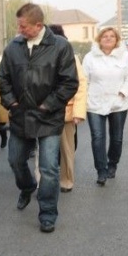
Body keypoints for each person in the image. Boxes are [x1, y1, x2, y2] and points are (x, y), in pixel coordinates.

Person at [0, 3, 78, 234]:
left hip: (48, 118)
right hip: (21, 115)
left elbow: (69, 82)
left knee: (49, 168)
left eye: (23, 26)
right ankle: (27, 186)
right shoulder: (13, 47)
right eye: (18, 25)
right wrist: (11, 102)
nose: (19, 30)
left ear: (39, 25)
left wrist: (48, 105)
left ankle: (48, 214)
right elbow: (3, 77)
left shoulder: (60, 46)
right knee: (15, 160)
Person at [82, 26, 128, 185]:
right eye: (105, 36)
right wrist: (83, 100)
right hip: (95, 103)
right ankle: (101, 170)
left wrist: (123, 92)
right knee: (97, 138)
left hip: (118, 103)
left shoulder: (124, 56)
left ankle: (112, 164)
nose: (108, 38)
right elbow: (84, 80)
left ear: (117, 40)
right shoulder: (90, 57)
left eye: (112, 36)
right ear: (99, 39)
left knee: (117, 138)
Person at [48, 25, 88, 193]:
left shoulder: (71, 56)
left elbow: (80, 84)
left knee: (66, 149)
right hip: (43, 111)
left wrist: (78, 112)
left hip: (66, 111)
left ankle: (66, 180)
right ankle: (43, 182)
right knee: (43, 150)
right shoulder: (37, 55)